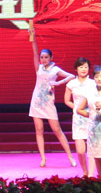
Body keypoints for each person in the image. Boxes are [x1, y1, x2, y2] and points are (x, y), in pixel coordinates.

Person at [28, 28, 75, 168]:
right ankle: (43, 158)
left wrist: (58, 83)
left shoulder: (55, 69)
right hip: (36, 102)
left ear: (51, 58)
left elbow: (71, 76)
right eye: (42, 57)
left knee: (57, 130)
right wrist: (33, 37)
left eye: (46, 57)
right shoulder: (39, 68)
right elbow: (34, 52)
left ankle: (70, 156)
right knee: (39, 130)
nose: (43, 59)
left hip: (48, 102)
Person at [64, 57, 96, 175]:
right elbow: (67, 100)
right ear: (76, 69)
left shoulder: (93, 83)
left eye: (86, 67)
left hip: (91, 117)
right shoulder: (71, 84)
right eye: (81, 67)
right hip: (78, 119)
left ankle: (91, 175)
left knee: (92, 150)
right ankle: (85, 172)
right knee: (80, 151)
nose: (83, 69)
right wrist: (77, 108)